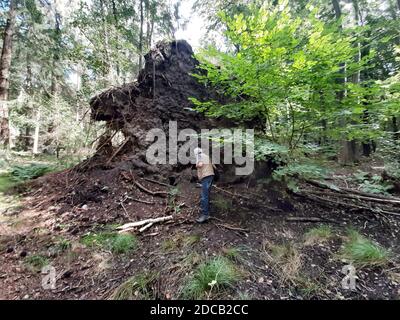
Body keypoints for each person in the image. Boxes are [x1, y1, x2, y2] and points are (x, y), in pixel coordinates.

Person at [193, 147, 215, 223]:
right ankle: (208, 214)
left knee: (204, 196)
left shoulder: (199, 156)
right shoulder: (206, 156)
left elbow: (200, 164)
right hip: (210, 176)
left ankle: (205, 215)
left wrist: (197, 164)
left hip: (206, 177)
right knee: (207, 194)